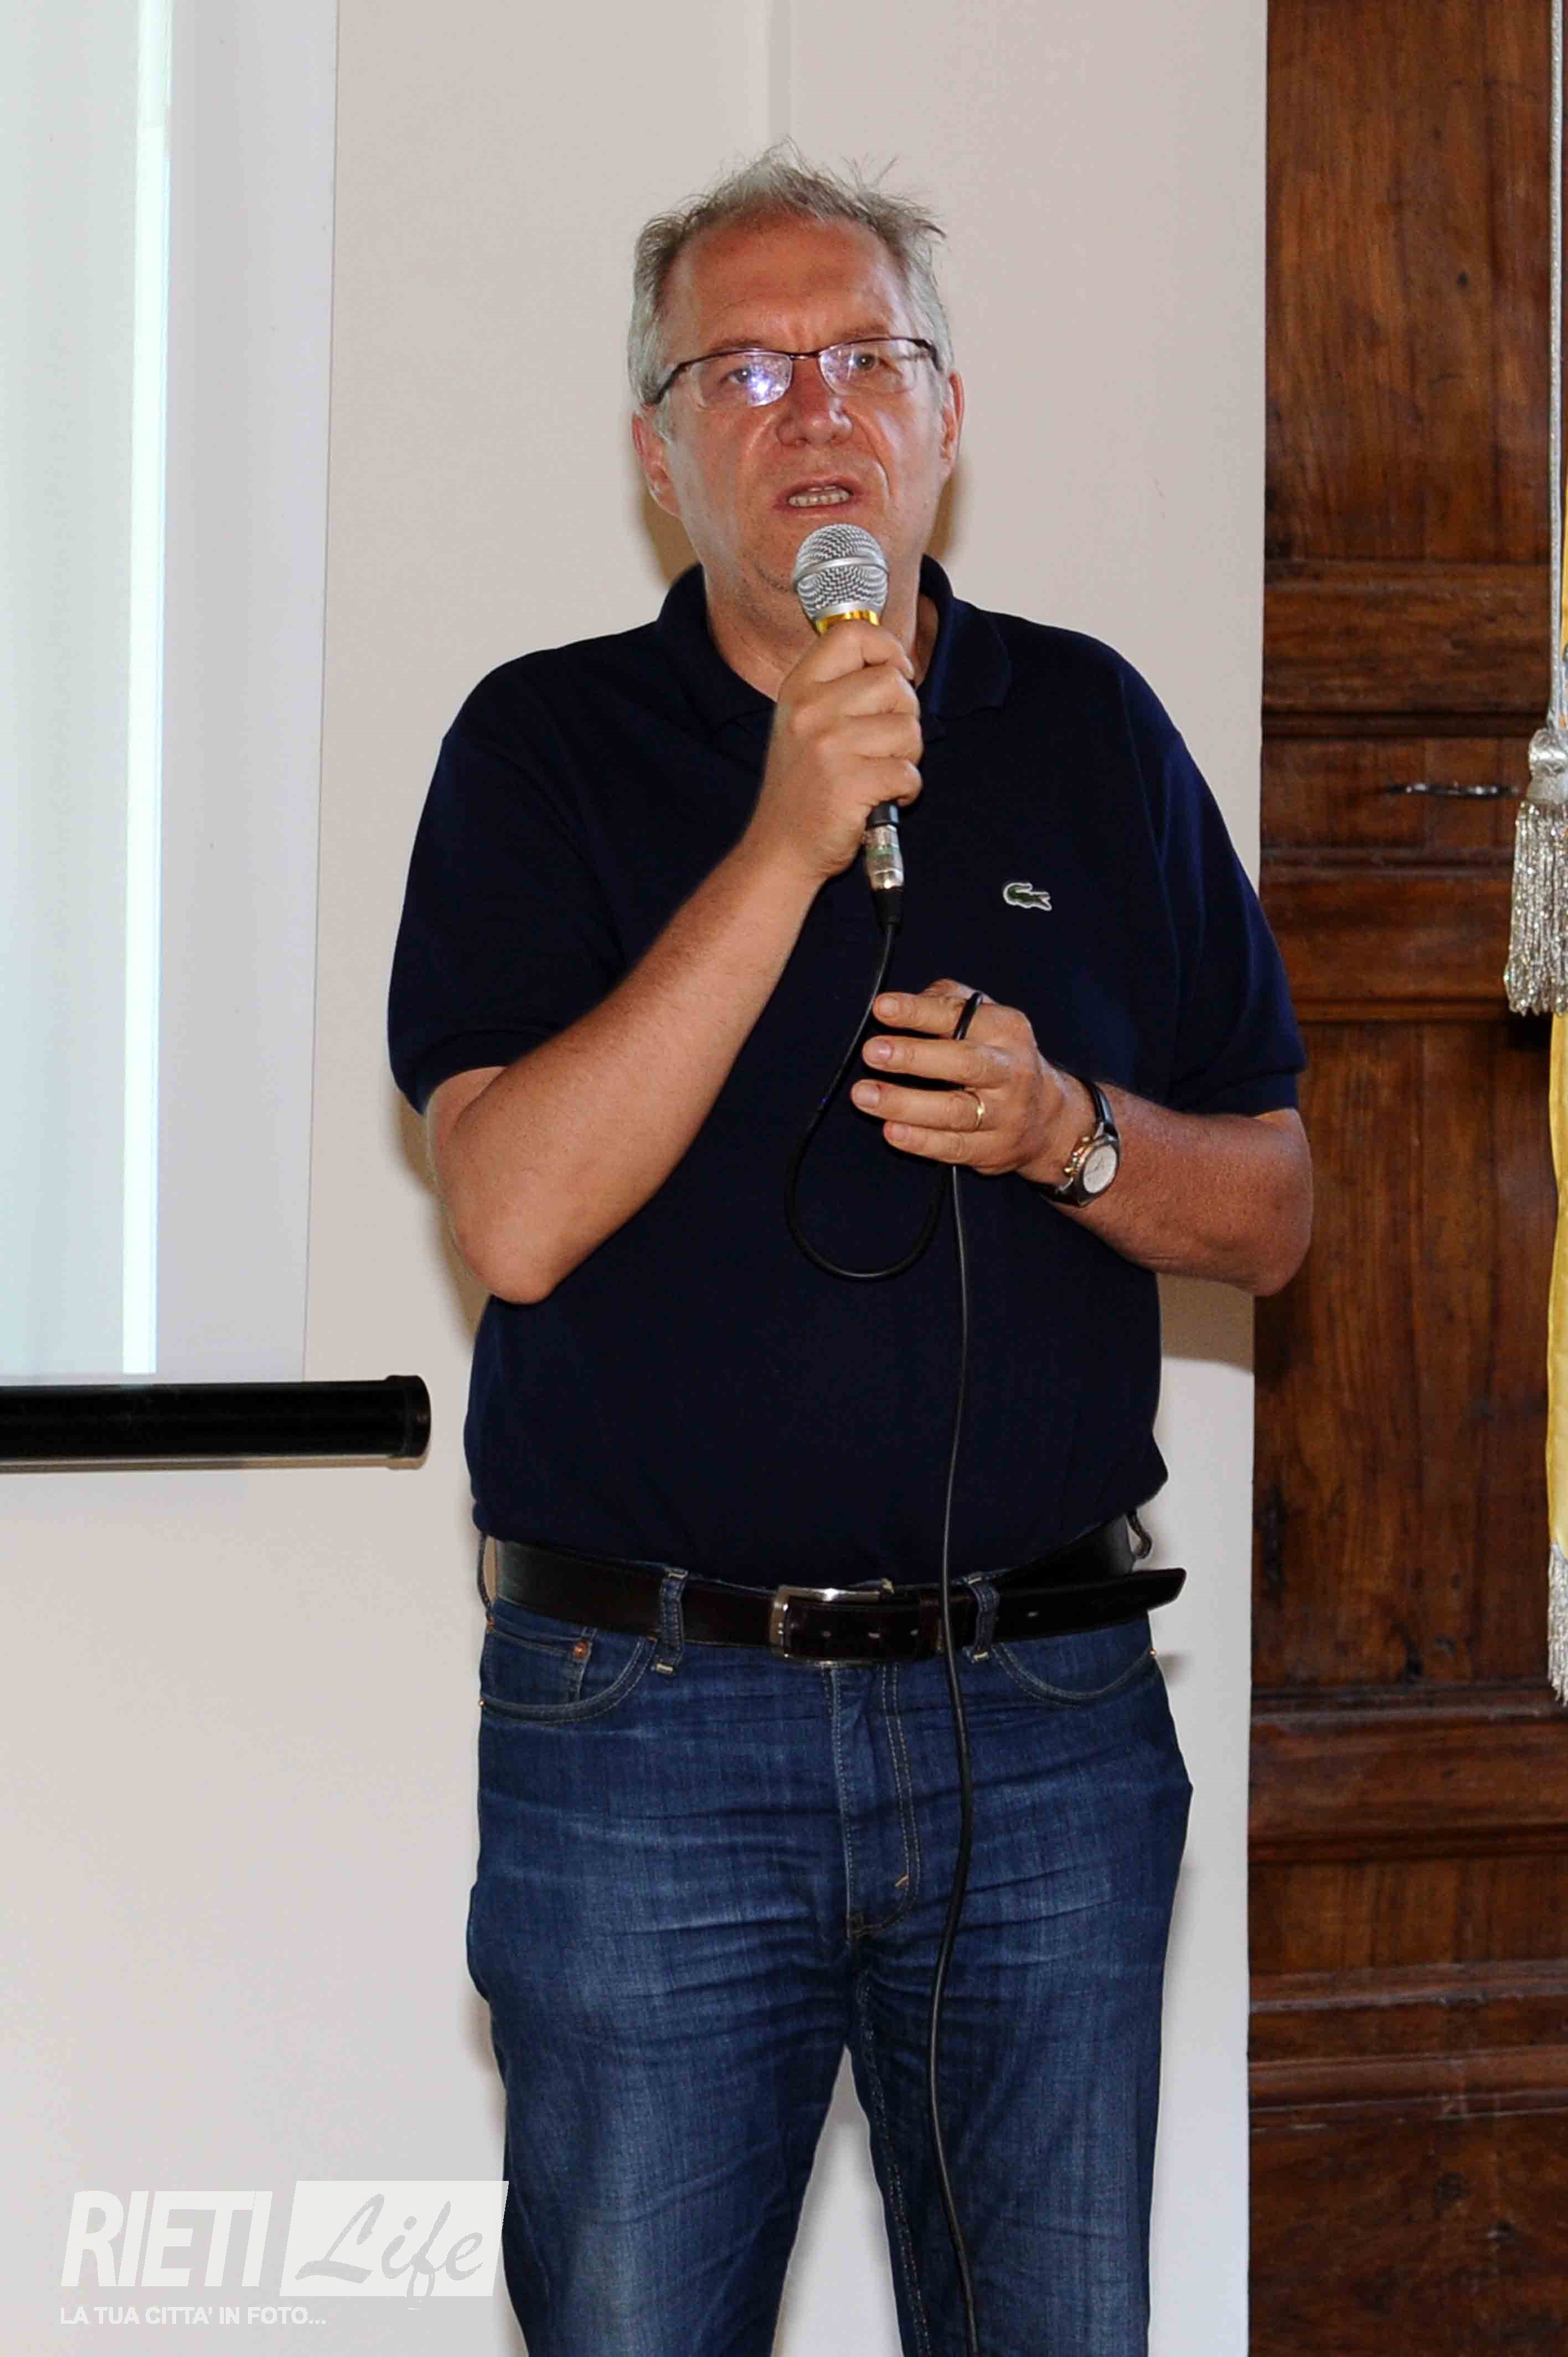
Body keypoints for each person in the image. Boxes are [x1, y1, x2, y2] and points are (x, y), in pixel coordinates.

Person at [388, 146, 1309, 2357]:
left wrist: (1076, 1137)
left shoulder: (1089, 731)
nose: (817, 411)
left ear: (947, 416)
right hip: (652, 1728)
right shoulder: (544, 749)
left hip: (1046, 1716)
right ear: (657, 454)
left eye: (868, 360)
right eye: (746, 371)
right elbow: (512, 1213)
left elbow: (1276, 1207)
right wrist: (788, 842)